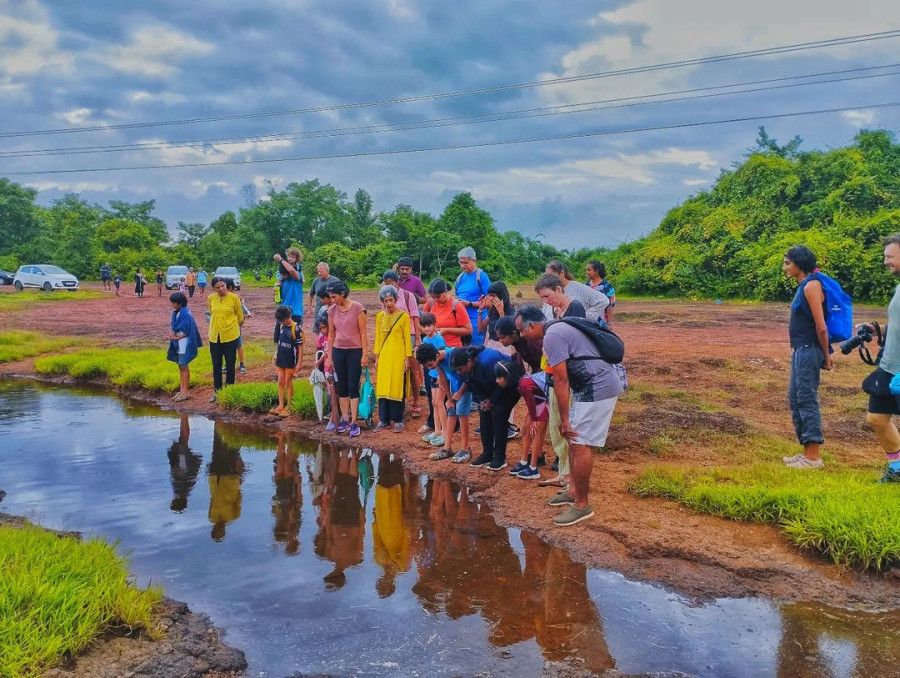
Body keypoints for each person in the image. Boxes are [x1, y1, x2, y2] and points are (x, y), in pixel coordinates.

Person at [516, 304, 623, 527]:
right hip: (587, 387)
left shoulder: (552, 336)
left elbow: (561, 380)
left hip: (598, 388)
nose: (522, 335)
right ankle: (573, 490)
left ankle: (582, 505)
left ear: (533, 326)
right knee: (575, 441)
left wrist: (564, 420)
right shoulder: (556, 329)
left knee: (581, 443)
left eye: (522, 330)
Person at [781, 246, 831, 469]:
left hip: (809, 349)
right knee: (795, 398)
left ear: (799, 264)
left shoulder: (812, 286)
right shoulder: (805, 285)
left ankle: (813, 458)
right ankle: (805, 452)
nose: (785, 268)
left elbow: (821, 327)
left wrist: (826, 355)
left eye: (787, 263)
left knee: (806, 399)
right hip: (800, 349)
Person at [858, 234, 900, 483]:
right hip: (890, 365)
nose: (885, 261)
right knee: (876, 418)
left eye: (890, 256)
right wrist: (878, 329)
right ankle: (897, 468)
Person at [451, 345, 516, 471]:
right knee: (484, 414)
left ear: (469, 362)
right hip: (490, 388)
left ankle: (499, 458)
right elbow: (472, 383)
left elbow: (501, 385)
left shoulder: (488, 362)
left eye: (460, 369)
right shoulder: (465, 369)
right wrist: (483, 400)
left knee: (498, 415)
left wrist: (492, 401)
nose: (459, 372)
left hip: (509, 385)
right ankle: (487, 453)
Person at [416, 343, 472, 464]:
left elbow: (469, 376)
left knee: (462, 413)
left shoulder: (453, 355)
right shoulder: (437, 360)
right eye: (426, 366)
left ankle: (465, 448)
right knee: (451, 412)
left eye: (430, 364)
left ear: (436, 356)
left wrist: (460, 393)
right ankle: (447, 447)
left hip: (466, 384)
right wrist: (450, 399)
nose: (429, 368)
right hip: (455, 383)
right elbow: (442, 378)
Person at [326, 281, 368, 438]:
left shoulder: (358, 307)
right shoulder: (331, 310)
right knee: (341, 386)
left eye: (334, 296)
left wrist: (364, 354)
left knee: (353, 385)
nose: (332, 300)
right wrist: (329, 357)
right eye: (330, 297)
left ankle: (354, 421)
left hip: (355, 351)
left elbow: (363, 333)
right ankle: (344, 418)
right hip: (338, 351)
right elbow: (331, 335)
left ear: (343, 294)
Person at [372, 286, 413, 433]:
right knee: (383, 387)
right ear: (382, 301)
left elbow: (407, 339)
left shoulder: (404, 316)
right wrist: (377, 357)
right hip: (384, 356)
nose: (389, 303)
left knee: (396, 386)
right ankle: (383, 419)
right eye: (386, 300)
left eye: (391, 300)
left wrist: (407, 359)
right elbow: (378, 338)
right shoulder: (379, 317)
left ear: (395, 300)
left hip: (398, 356)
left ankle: (398, 419)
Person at [500, 361, 549, 480]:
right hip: (537, 406)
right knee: (525, 431)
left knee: (535, 433)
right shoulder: (521, 383)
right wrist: (531, 418)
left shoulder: (523, 384)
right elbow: (531, 403)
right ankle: (524, 461)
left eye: (499, 377)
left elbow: (534, 400)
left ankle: (533, 468)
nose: (497, 380)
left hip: (543, 404)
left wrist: (535, 420)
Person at [383, 270, 422, 416]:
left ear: (397, 282)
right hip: (393, 338)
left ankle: (416, 401)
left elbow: (415, 316)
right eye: (387, 284)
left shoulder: (407, 295)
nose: (389, 287)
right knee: (397, 369)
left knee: (412, 368)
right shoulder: (385, 297)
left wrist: (417, 338)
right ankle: (399, 401)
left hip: (409, 334)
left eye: (392, 283)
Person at [207, 275, 244, 402]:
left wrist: (234, 328)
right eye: (218, 287)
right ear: (214, 289)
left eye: (223, 286)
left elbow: (240, 316)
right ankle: (217, 392)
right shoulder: (211, 298)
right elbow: (212, 314)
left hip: (230, 335)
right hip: (214, 336)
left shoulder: (234, 298)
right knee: (216, 365)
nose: (221, 289)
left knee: (230, 364)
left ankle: (229, 391)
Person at [166, 292, 203, 402]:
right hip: (179, 343)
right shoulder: (178, 312)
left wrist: (177, 338)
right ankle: (182, 390)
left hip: (184, 343)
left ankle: (186, 391)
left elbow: (188, 330)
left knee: (184, 366)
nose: (172, 305)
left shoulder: (185, 314)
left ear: (180, 303)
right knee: (181, 366)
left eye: (174, 303)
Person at [419, 313, 447, 448]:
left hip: (439, 375)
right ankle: (437, 430)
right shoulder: (425, 340)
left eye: (429, 325)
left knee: (440, 403)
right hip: (431, 374)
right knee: (434, 403)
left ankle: (445, 434)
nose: (427, 329)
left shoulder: (439, 339)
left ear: (435, 325)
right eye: (424, 326)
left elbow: (441, 358)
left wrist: (441, 377)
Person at [455, 247, 491, 346]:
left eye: (465, 263)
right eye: (461, 263)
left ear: (473, 261)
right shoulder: (460, 277)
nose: (463, 266)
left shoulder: (481, 276)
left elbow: (489, 302)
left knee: (475, 351)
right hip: (462, 321)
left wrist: (469, 304)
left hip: (476, 321)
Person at [271, 305, 302, 418]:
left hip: (290, 360)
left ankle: (289, 407)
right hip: (280, 358)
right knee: (280, 381)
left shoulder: (296, 329)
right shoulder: (281, 326)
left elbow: (300, 348)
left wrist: (299, 362)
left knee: (288, 382)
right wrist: (275, 354)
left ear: (287, 317)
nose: (280, 322)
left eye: (281, 320)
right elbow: (279, 342)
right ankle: (280, 405)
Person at [423, 279, 472, 349]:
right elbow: (421, 324)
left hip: (452, 347)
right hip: (432, 347)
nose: (436, 300)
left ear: (445, 292)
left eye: (438, 297)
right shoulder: (430, 304)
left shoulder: (456, 305)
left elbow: (468, 330)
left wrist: (447, 330)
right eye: (433, 297)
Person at [315, 315, 340, 432]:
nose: (323, 331)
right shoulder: (321, 339)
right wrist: (318, 362)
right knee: (331, 393)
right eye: (320, 329)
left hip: (336, 368)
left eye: (324, 328)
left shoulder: (335, 337)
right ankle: (333, 417)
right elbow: (324, 353)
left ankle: (336, 416)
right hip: (327, 368)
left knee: (338, 391)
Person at [480, 281, 516, 353]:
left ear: (501, 296)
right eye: (490, 295)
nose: (491, 298)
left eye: (494, 295)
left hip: (505, 346)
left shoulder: (510, 310)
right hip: (492, 345)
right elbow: (481, 327)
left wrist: (501, 312)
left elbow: (506, 330)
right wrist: (480, 310)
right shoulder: (492, 310)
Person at [275, 247, 305, 326]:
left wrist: (281, 260)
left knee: (295, 337)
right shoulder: (281, 273)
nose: (290, 259)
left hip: (295, 311)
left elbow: (292, 271)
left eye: (293, 257)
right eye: (289, 256)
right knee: (278, 337)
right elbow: (278, 285)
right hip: (283, 309)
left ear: (296, 259)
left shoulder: (299, 274)